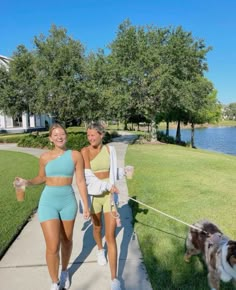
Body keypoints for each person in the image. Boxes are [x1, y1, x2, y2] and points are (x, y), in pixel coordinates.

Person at [14, 123, 90, 290]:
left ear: (66, 136)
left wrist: (86, 205)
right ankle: (55, 282)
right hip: (48, 201)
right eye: (55, 135)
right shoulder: (45, 157)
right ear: (50, 139)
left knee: (67, 240)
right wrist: (27, 182)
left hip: (68, 202)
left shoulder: (75, 155)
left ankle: (64, 271)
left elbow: (81, 181)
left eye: (62, 134)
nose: (59, 137)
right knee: (53, 245)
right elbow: (41, 177)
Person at [81, 121, 123, 290]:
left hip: (109, 196)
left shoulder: (109, 150)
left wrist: (124, 171)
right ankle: (100, 249)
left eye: (93, 135)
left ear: (101, 134)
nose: (90, 138)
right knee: (97, 228)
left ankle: (114, 280)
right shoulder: (84, 152)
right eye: (88, 135)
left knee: (111, 236)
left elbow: (113, 172)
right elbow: (88, 178)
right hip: (94, 195)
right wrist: (106, 186)